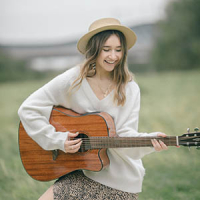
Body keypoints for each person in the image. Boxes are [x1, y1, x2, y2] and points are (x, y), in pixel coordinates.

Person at [18, 18, 168, 200]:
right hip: (82, 171)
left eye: (118, 50)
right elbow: (28, 109)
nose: (113, 56)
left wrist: (149, 141)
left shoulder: (129, 88)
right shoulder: (73, 80)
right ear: (94, 50)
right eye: (106, 49)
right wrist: (58, 140)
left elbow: (124, 136)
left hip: (120, 179)